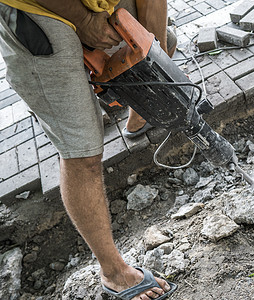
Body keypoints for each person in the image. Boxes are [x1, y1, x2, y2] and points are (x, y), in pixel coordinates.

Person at [0, 0, 177, 299]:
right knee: (83, 152)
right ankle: (114, 274)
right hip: (37, 8)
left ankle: (137, 116)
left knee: (163, 44)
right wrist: (83, 19)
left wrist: (151, 61)